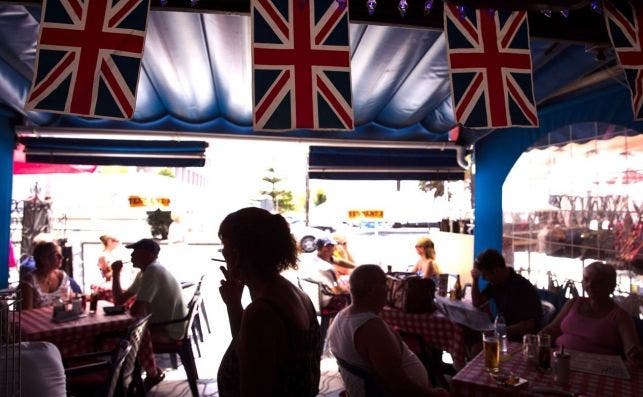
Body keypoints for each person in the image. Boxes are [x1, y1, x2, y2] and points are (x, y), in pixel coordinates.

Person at [217, 207, 321, 397]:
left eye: (224, 245)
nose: (222, 252)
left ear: (237, 253)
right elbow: (244, 348)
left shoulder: (262, 312)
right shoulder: (294, 293)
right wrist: (234, 305)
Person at [328, 265, 449, 397]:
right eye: (385, 283)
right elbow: (398, 385)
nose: (388, 288)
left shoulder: (341, 316)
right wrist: (432, 394)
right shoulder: (371, 328)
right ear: (372, 290)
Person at [111, 238, 187, 388]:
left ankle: (127, 381)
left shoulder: (153, 270)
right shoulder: (145, 273)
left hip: (169, 331)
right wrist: (115, 274)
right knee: (127, 335)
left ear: (148, 254)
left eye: (135, 252)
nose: (131, 256)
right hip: (165, 326)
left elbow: (138, 309)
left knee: (123, 340)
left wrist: (131, 309)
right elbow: (119, 300)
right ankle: (148, 374)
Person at [542, 261, 642, 366]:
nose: (590, 285)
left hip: (597, 369)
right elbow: (552, 329)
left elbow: (631, 347)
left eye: (598, 281)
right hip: (561, 360)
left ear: (611, 286)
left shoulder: (620, 316)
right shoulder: (574, 302)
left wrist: (634, 354)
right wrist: (538, 339)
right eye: (586, 279)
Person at [471, 249, 541, 341]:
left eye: (485, 275)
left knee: (477, 346)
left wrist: (499, 331)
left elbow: (530, 325)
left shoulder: (522, 287)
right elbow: (477, 302)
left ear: (496, 271)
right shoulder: (496, 283)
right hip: (505, 334)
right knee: (471, 336)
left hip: (521, 340)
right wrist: (475, 280)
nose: (484, 279)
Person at [18, 241, 72, 309]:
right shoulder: (29, 281)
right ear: (44, 258)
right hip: (36, 319)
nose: (62, 257)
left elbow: (71, 298)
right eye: (56, 255)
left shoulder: (62, 276)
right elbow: (26, 312)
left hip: (60, 318)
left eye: (61, 255)